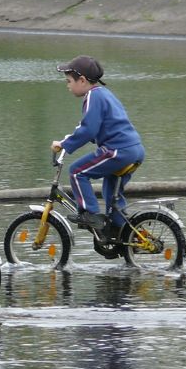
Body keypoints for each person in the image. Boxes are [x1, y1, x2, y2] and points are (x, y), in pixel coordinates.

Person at [50, 55, 144, 236]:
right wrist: (68, 139)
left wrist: (65, 145)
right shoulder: (105, 94)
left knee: (77, 171)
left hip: (118, 150)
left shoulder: (93, 96)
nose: (67, 85)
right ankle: (121, 232)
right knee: (111, 194)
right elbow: (100, 127)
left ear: (82, 80)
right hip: (133, 149)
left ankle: (90, 214)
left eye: (69, 81)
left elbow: (88, 130)